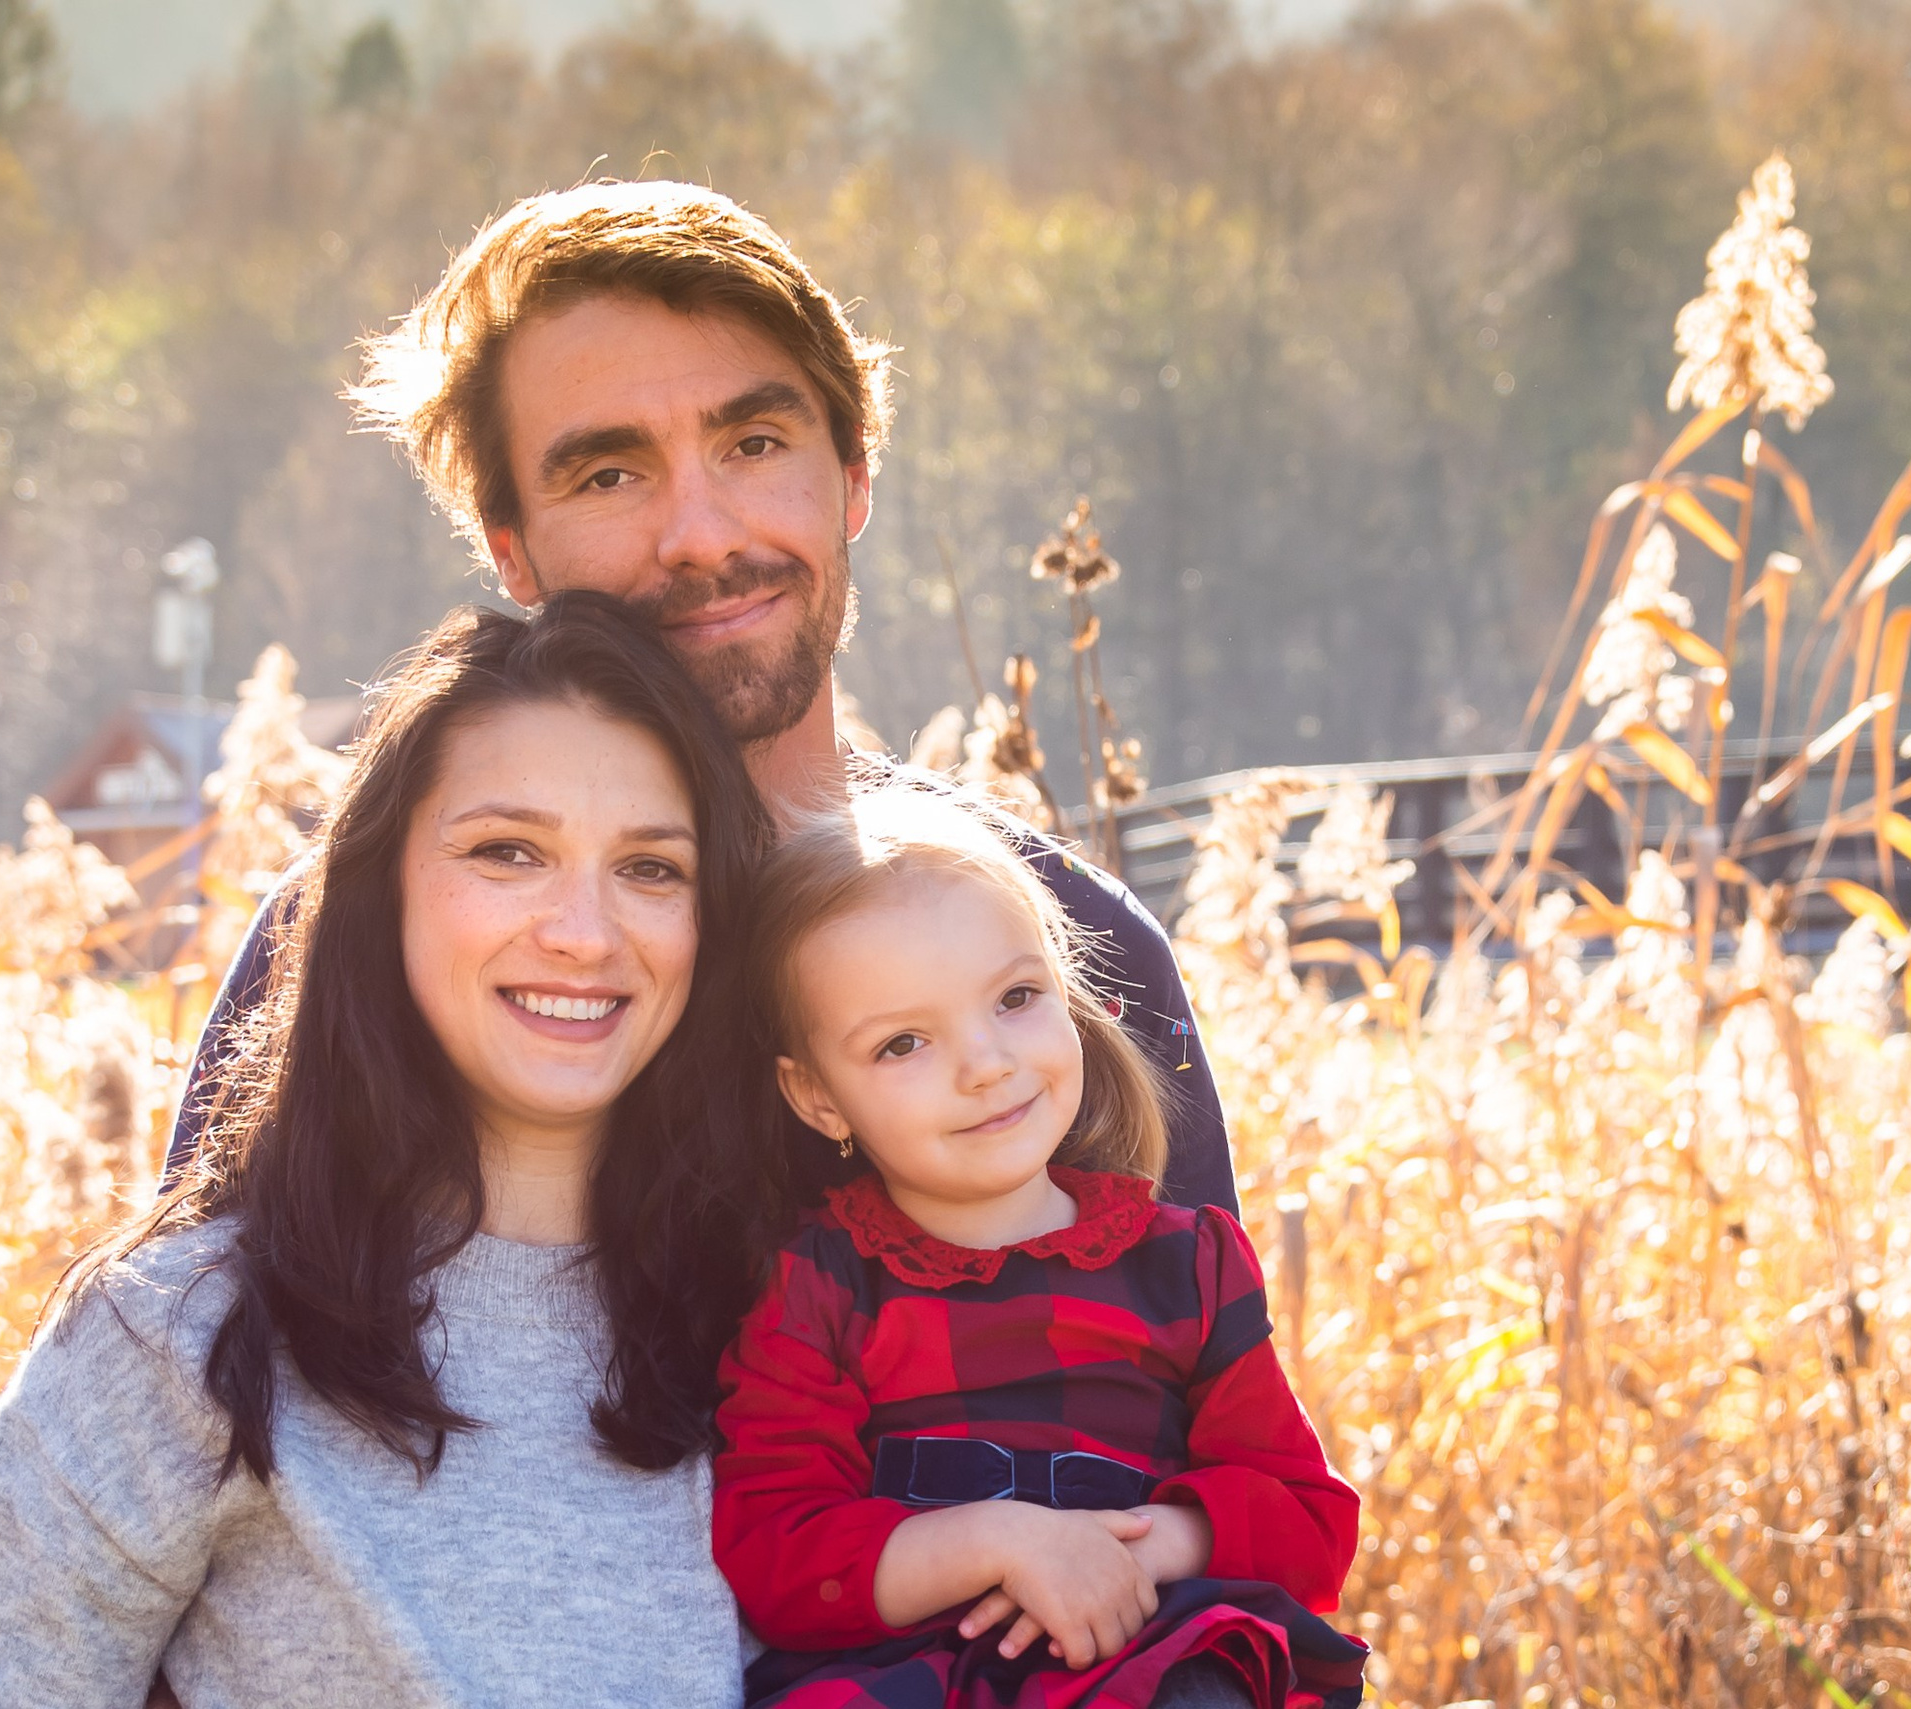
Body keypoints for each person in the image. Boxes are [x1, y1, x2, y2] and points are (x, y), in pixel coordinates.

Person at [171, 179, 1236, 1217]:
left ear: (854, 475)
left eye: (754, 445)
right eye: (608, 476)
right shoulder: (388, 940)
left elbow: (1194, 1372)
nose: (703, 535)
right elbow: (201, 1344)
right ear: (513, 553)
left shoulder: (1061, 952)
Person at [0, 595, 779, 1707]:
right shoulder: (186, 1325)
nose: (585, 931)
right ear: (383, 891)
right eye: (508, 851)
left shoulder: (781, 1319)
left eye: (651, 867)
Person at [712, 787, 1367, 1709]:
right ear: (817, 1096)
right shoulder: (818, 1285)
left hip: (1142, 1650)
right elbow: (775, 1548)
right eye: (904, 1042)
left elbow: (1308, 1520)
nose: (985, 1063)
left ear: (1068, 994)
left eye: (1017, 997)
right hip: (911, 1675)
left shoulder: (1185, 1266)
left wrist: (1132, 1546)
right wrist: (1001, 1542)